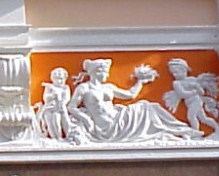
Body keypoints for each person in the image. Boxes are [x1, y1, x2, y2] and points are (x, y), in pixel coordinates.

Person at [67, 58, 201, 143]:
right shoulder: (83, 88)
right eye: (104, 72)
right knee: (146, 107)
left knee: (149, 106)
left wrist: (140, 81)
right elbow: (71, 107)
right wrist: (85, 118)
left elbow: (130, 95)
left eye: (107, 72)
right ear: (95, 72)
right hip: (106, 127)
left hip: (119, 119)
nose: (107, 74)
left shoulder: (108, 87)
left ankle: (181, 130)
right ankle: (179, 131)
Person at [163, 58, 219, 133]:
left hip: (196, 101)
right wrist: (195, 91)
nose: (174, 75)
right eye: (173, 73)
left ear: (184, 70)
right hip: (190, 102)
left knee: (191, 117)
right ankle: (217, 129)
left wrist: (197, 86)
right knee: (204, 118)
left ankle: (196, 132)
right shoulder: (176, 83)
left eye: (176, 72)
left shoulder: (192, 80)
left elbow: (202, 92)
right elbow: (182, 94)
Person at [36, 67, 72, 140]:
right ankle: (54, 138)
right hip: (49, 108)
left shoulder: (65, 88)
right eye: (57, 79)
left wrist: (62, 102)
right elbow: (45, 98)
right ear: (52, 79)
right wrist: (52, 96)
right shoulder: (49, 87)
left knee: (57, 122)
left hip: (60, 108)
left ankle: (60, 137)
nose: (60, 81)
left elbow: (67, 98)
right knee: (50, 124)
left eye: (62, 79)